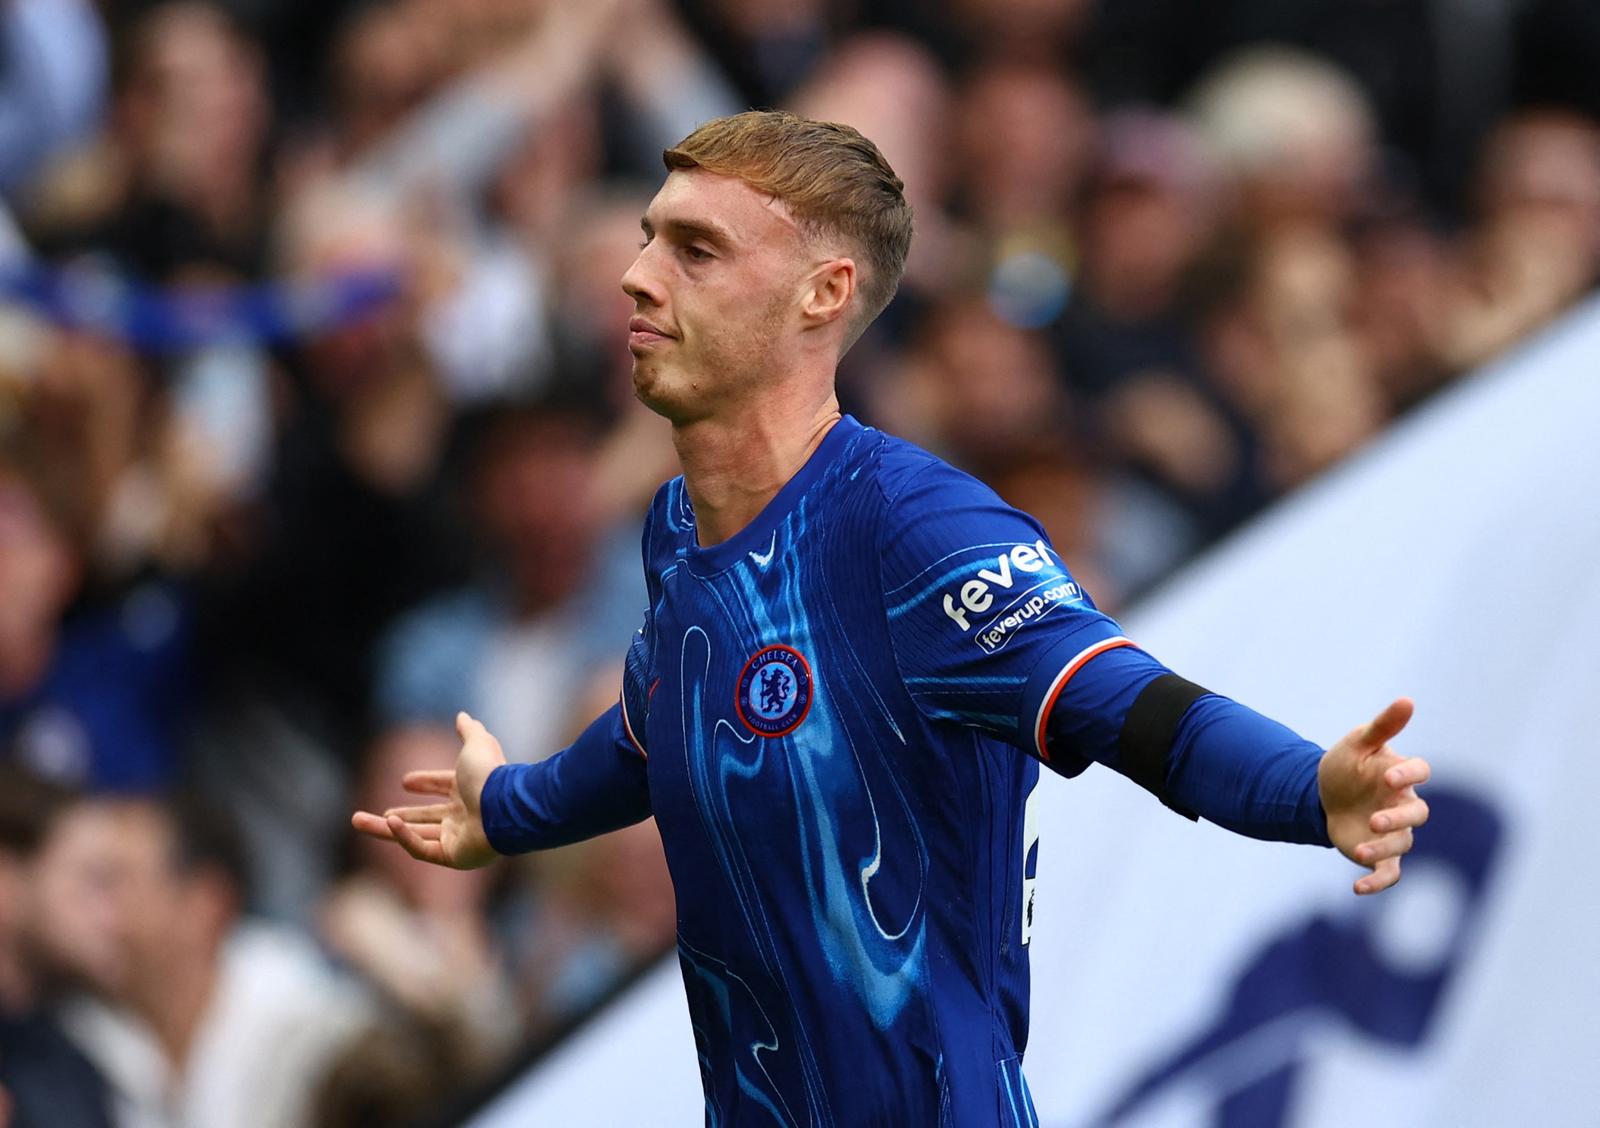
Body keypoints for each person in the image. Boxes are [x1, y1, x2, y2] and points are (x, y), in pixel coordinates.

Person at [354, 110, 1431, 1125]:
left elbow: (1131, 705)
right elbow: (660, 720)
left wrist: (1305, 786)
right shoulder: (679, 528)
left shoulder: (913, 528)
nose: (634, 278)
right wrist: (509, 808)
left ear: (822, 295)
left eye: (695, 250)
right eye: (646, 240)